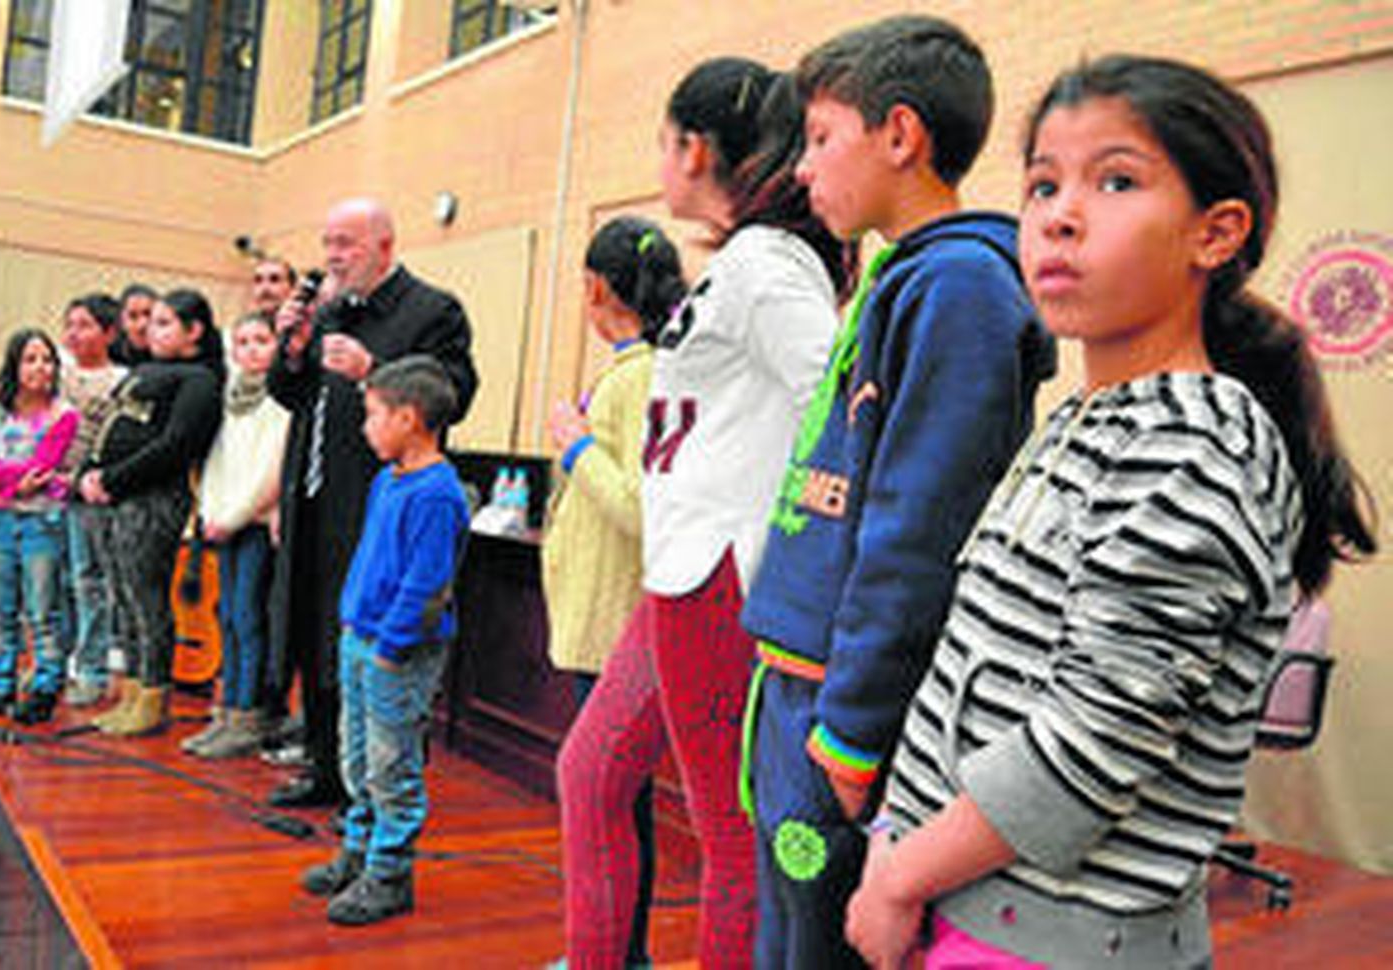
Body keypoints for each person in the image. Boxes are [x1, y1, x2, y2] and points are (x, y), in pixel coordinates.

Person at [847, 55, 1378, 970]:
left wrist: (898, 877)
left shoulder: (1196, 447)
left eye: (1116, 180)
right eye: (1043, 184)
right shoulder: (1091, 419)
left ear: (1216, 234)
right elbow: (980, 663)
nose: (1058, 213)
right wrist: (896, 836)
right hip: (965, 897)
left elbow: (1091, 742)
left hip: (1048, 938)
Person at [735, 18, 1056, 967]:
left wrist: (851, 734)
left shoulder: (958, 287)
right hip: (798, 683)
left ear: (901, 137)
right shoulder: (899, 278)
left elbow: (915, 531)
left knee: (820, 945)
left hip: (847, 704)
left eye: (821, 137)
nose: (802, 168)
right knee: (784, 934)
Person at [557, 60, 845, 968]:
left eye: (664, 140)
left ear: (695, 147)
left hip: (722, 573)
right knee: (590, 774)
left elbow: (833, 404)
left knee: (728, 832)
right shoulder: (744, 264)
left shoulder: (767, 268)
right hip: (683, 567)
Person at [266, 197, 478, 809]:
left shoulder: (433, 310)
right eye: (327, 242)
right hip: (310, 495)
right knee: (311, 630)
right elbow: (287, 394)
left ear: (385, 246)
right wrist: (296, 348)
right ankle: (325, 769)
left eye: (346, 243)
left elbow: (453, 394)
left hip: (376, 504)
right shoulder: (329, 310)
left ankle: (375, 794)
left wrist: (373, 371)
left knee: (356, 640)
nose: (331, 255)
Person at [543, 217, 685, 967]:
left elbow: (638, 504)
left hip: (616, 623)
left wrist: (574, 442)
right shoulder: (637, 370)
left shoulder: (647, 376)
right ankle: (613, 949)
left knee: (615, 804)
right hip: (600, 617)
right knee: (616, 799)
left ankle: (619, 953)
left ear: (597, 287)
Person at [299, 356, 470, 926]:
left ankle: (390, 874)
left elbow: (427, 586)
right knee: (357, 758)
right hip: (361, 639)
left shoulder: (438, 493)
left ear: (410, 417)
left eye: (372, 415)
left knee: (391, 764)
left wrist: (390, 647)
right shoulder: (385, 479)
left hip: (397, 651)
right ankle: (359, 852)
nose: (364, 427)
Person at [81, 289, 224, 737]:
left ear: (194, 331)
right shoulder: (143, 370)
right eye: (148, 322)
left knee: (146, 600)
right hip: (112, 496)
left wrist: (113, 479)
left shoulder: (199, 380)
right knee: (120, 596)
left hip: (152, 499)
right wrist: (89, 472)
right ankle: (131, 690)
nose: (148, 329)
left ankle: (154, 695)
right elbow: (110, 426)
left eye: (163, 323)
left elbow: (175, 445)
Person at [181, 311, 289, 759]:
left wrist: (236, 516)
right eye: (241, 341)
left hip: (256, 523)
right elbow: (217, 462)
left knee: (248, 616)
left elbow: (272, 472)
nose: (250, 350)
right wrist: (209, 511)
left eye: (261, 340)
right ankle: (225, 710)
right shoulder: (229, 397)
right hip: (222, 521)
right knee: (225, 614)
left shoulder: (281, 400)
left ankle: (248, 715)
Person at [0, 329, 79, 725]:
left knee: (43, 609)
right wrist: (12, 481)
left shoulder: (64, 415)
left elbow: (43, 467)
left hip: (42, 522)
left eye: (47, 359)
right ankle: (0, 686)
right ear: (15, 365)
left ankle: (46, 687)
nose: (40, 367)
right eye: (30, 359)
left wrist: (0, 475)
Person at [56, 293, 127, 708]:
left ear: (108, 332)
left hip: (88, 496)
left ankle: (92, 669)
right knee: (51, 581)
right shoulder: (55, 374)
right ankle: (54, 661)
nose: (74, 333)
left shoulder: (121, 379)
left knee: (89, 582)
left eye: (84, 325)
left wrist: (81, 478)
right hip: (47, 492)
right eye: (70, 324)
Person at [110, 282, 157, 366]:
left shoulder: (175, 355)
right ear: (122, 321)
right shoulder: (109, 354)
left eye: (148, 314)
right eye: (133, 316)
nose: (143, 324)